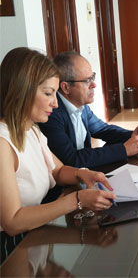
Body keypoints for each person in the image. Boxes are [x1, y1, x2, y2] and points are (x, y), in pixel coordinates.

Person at [0, 47, 116, 263]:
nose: (55, 102)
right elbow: (13, 221)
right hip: (9, 250)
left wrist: (84, 174)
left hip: (34, 234)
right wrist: (77, 199)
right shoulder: (2, 143)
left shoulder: (31, 129)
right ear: (21, 91)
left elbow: (58, 169)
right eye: (48, 93)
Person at [38, 51, 138, 169]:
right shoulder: (51, 114)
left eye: (92, 78)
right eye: (87, 81)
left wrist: (131, 135)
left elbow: (103, 129)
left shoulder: (81, 105)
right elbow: (71, 159)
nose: (94, 85)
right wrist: (123, 150)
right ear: (66, 87)